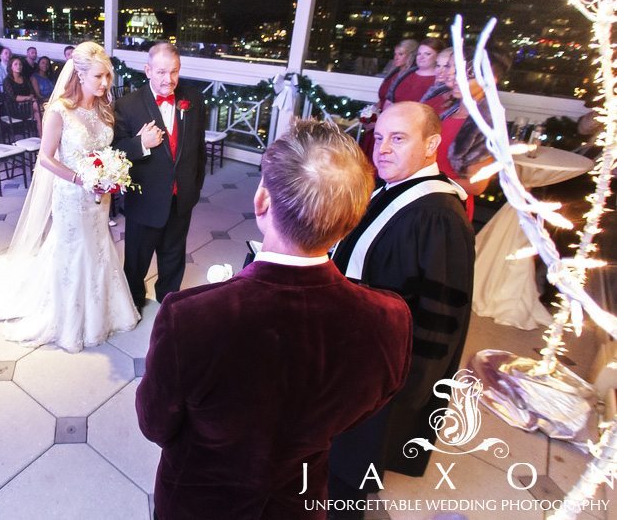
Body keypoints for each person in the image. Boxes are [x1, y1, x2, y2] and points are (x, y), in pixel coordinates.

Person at [136, 119, 413, 520]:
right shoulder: (389, 320)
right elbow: (364, 408)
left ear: (262, 200)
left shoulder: (189, 317)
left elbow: (156, 425)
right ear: (349, 223)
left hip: (198, 502)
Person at [0, 41, 140, 352]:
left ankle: (102, 312)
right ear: (80, 74)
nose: (105, 83)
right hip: (71, 194)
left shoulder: (102, 107)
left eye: (107, 77)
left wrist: (109, 174)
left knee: (99, 247)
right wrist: (81, 178)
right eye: (99, 76)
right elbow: (45, 158)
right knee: (74, 251)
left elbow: (104, 150)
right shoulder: (60, 109)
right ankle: (72, 320)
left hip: (98, 196)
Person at [328, 102, 475, 514]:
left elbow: (438, 320)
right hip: (356, 359)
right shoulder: (393, 190)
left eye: (398, 138)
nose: (383, 149)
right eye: (379, 138)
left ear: (432, 144)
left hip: (383, 377)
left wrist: (403, 392)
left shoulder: (437, 216)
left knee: (350, 472)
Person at [113, 42, 206, 310]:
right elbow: (114, 151)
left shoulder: (193, 99)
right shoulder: (127, 105)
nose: (169, 80)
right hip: (145, 201)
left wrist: (193, 188)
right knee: (136, 262)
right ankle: (133, 306)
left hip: (181, 198)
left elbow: (198, 148)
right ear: (148, 70)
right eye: (162, 72)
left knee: (173, 258)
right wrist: (141, 143)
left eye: (174, 72)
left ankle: (169, 307)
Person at [420, 47, 498, 219]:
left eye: (467, 75)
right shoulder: (450, 111)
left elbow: (476, 185)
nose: (453, 78)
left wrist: (424, 183)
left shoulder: (484, 124)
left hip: (444, 208)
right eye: (451, 69)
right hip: (422, 199)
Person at [382, 38, 445, 106]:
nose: (421, 57)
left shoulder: (440, 81)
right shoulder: (405, 75)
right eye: (419, 54)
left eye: (427, 54)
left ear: (438, 56)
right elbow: (388, 101)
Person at [3, 55, 43, 135]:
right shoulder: (7, 80)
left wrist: (30, 97)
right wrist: (28, 98)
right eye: (16, 64)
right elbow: (13, 97)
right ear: (11, 66)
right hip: (15, 108)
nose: (19, 66)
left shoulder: (25, 78)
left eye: (20, 64)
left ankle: (42, 137)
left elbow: (31, 92)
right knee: (38, 107)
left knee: (39, 115)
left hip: (28, 105)